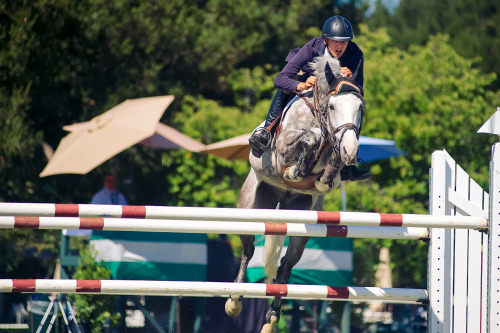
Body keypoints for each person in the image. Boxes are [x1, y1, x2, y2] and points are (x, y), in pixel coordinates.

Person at [248, 15, 369, 181]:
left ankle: (348, 164)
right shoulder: (312, 47)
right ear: (325, 40)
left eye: (344, 41)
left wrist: (347, 79)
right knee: (285, 89)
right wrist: (301, 83)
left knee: (354, 107)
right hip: (307, 81)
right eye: (335, 41)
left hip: (336, 94)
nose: (340, 45)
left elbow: (358, 90)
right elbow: (279, 79)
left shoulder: (355, 53)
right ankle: (266, 131)